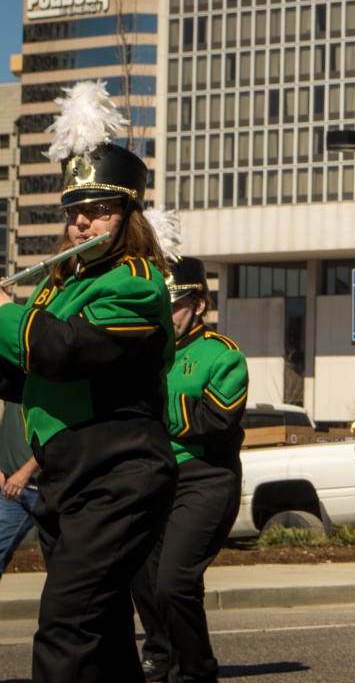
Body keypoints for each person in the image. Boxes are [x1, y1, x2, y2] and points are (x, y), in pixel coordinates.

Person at [0, 81, 177, 682]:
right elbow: (22, 371)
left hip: (119, 469)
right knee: (98, 635)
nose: (81, 224)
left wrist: (2, 314)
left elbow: (64, 350)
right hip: (67, 473)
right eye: (74, 211)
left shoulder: (135, 279)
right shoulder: (60, 286)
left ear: (128, 214)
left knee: (67, 625)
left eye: (98, 209)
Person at [132, 243, 248, 683]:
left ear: (198, 304)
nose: (168, 313)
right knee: (143, 580)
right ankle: (164, 655)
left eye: (175, 304)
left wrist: (154, 403)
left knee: (174, 581)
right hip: (153, 475)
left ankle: (197, 670)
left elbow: (215, 420)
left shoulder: (224, 354)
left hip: (205, 479)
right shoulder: (144, 349)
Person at [0, 401, 38, 578]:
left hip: (50, 489)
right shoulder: (11, 378)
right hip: (11, 490)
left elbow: (60, 437)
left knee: (64, 564)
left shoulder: (51, 380)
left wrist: (25, 472)